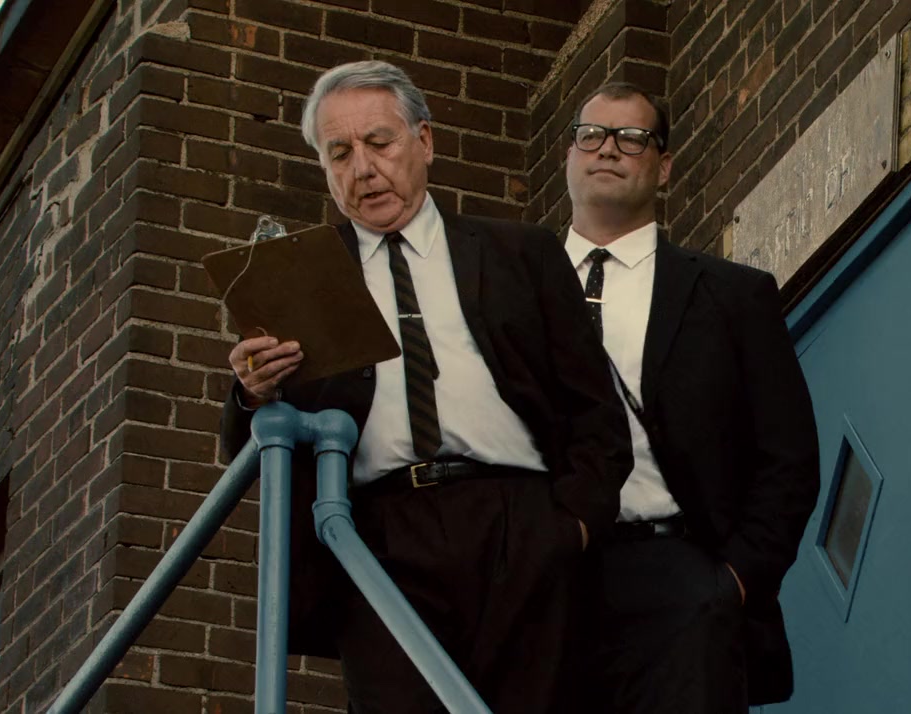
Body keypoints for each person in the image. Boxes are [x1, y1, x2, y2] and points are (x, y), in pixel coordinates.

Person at [218, 61, 632, 714]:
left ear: (425, 141)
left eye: (379, 143)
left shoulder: (519, 252)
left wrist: (571, 527)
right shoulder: (302, 275)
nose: (363, 168)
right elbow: (253, 450)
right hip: (374, 534)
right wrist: (252, 392)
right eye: (340, 153)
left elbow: (594, 409)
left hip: (519, 521)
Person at [560, 81, 820, 712]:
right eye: (591, 135)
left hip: (678, 575)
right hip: (549, 584)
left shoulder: (733, 296)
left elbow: (788, 457)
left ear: (664, 166)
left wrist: (733, 581)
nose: (607, 149)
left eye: (632, 138)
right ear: (569, 155)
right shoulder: (509, 287)